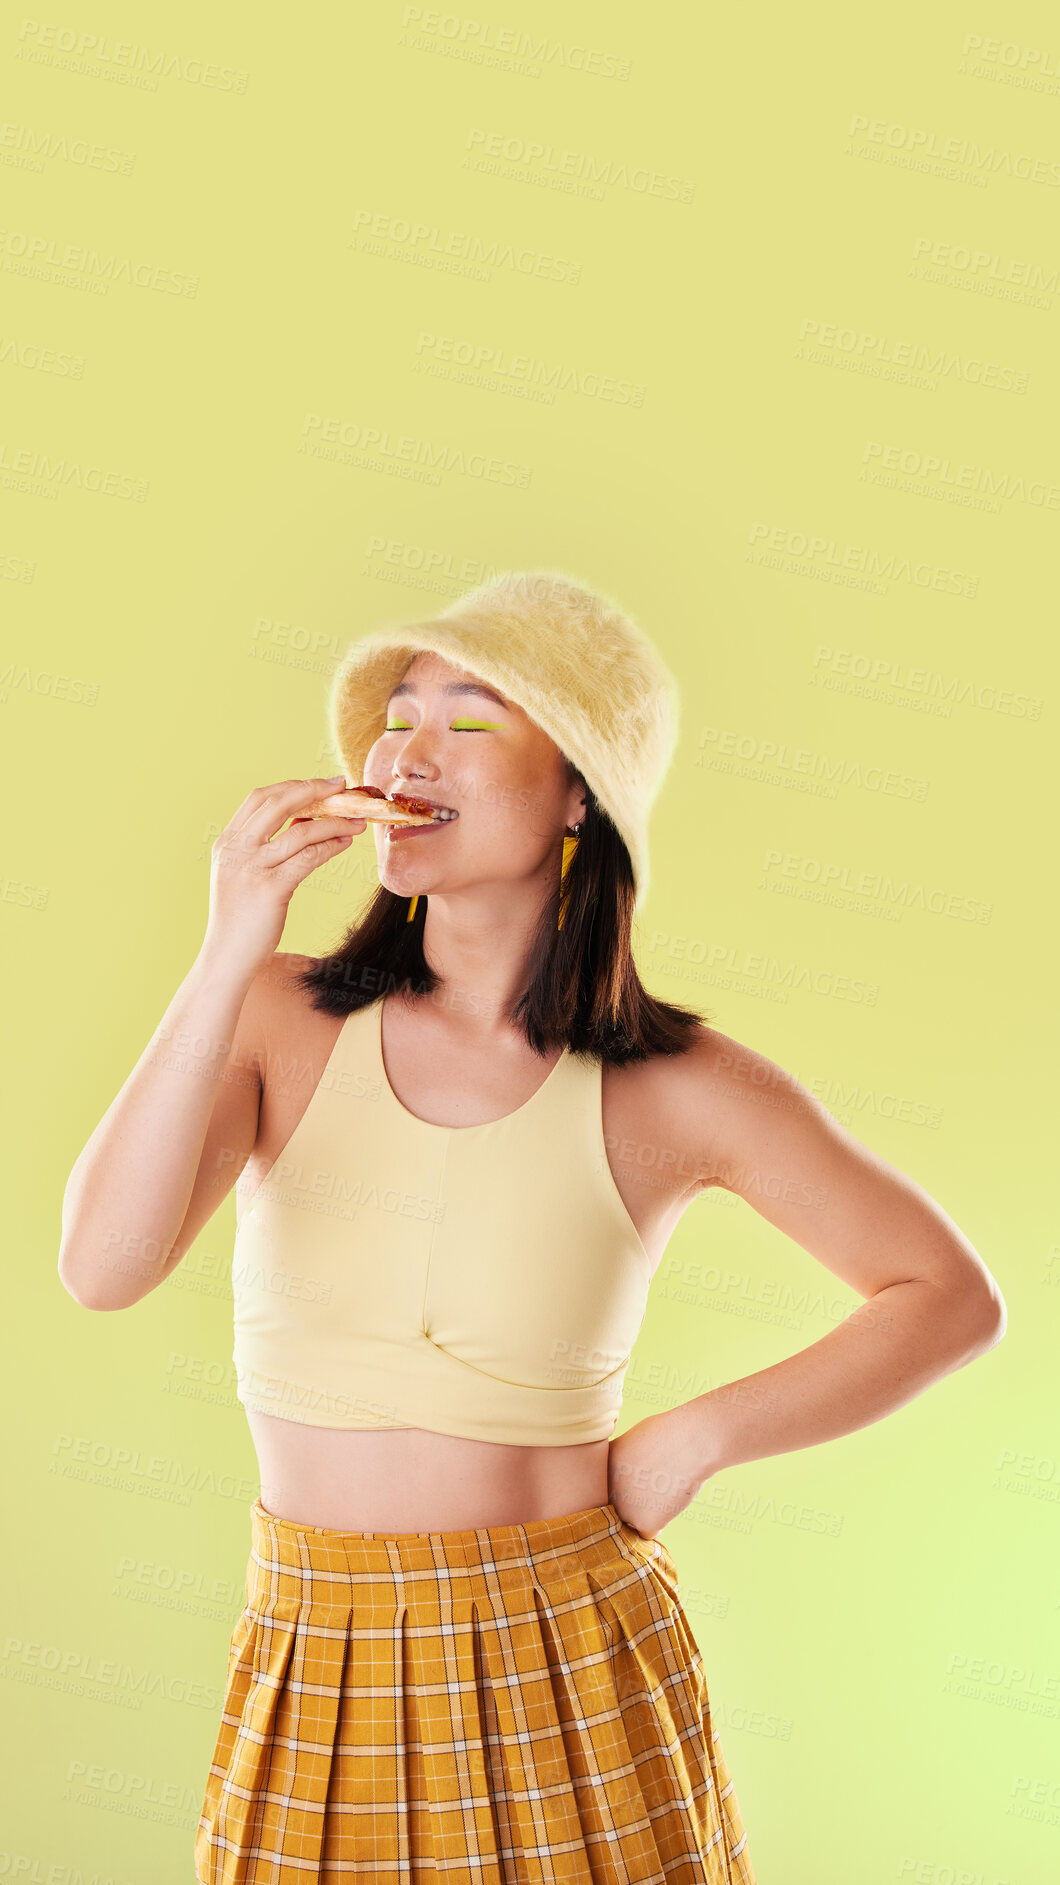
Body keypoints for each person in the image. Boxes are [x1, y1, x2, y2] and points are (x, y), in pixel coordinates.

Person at [59, 570, 1005, 1883]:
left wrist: (695, 1436)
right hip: (311, 1642)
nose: (403, 746)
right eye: (396, 713)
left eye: (470, 716)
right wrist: (227, 949)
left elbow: (949, 1293)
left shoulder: (677, 1083)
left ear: (580, 796)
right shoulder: (278, 1013)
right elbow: (103, 1267)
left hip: (567, 1640)